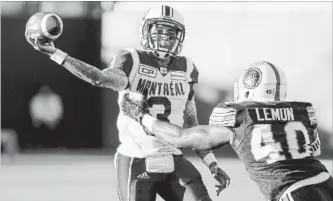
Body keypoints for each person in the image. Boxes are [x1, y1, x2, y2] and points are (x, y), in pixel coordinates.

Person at [25, 5, 230, 201]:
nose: (165, 37)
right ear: (146, 30)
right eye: (159, 30)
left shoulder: (187, 68)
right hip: (136, 159)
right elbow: (100, 78)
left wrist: (211, 162)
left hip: (174, 158)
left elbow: (191, 124)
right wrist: (55, 53)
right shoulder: (132, 60)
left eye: (171, 32)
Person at [121, 61, 333, 201]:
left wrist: (142, 117)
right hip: (326, 182)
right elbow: (313, 151)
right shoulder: (301, 111)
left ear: (249, 85)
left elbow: (181, 138)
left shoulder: (240, 116)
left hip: (294, 193)